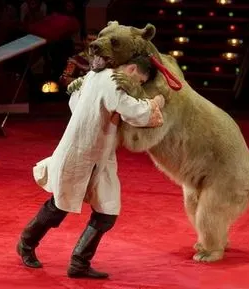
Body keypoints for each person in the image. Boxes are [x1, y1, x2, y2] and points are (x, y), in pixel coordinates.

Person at [17, 55, 165, 279]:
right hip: (79, 152)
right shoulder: (113, 80)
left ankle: (79, 263)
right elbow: (136, 113)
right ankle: (26, 244)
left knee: (107, 212)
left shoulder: (92, 76)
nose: (138, 85)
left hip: (101, 155)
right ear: (132, 69)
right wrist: (156, 103)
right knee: (59, 206)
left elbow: (74, 101)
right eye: (140, 80)